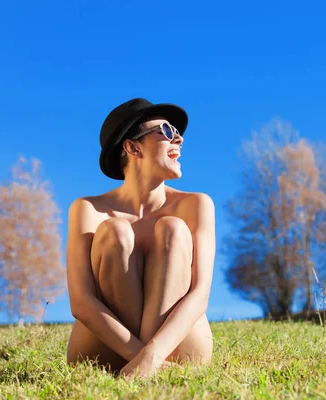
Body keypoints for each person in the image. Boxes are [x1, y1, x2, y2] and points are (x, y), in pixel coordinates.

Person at [65, 98, 215, 379]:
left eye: (177, 131)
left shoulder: (196, 204)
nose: (179, 138)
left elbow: (200, 293)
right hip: (104, 351)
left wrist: (153, 356)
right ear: (132, 147)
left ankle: (150, 361)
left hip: (178, 349)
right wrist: (142, 358)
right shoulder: (88, 209)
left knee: (172, 228)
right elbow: (81, 302)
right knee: (116, 231)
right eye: (166, 131)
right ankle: (143, 362)